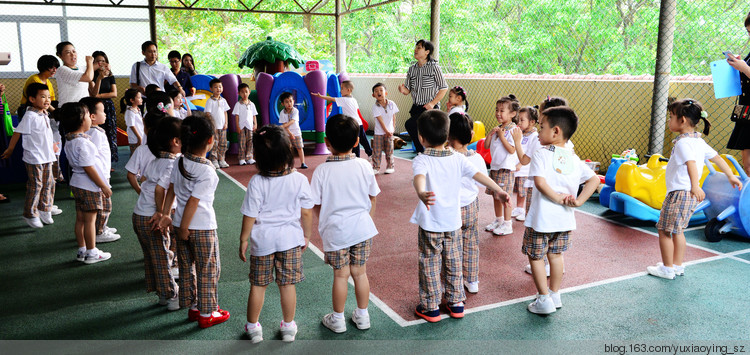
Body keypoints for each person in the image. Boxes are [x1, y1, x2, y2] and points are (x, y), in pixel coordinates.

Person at [411, 110, 509, 322]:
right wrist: (498, 189)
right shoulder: (457, 158)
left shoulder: (422, 159)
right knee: (453, 260)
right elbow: (479, 175)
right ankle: (456, 303)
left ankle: (431, 307)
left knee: (430, 262)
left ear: (421, 137)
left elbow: (419, 178)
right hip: (453, 222)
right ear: (447, 135)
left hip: (430, 224)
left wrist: (421, 192)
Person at [647, 99, 743, 280]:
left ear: (682, 120)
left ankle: (667, 269)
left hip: (680, 193)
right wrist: (730, 175)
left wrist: (695, 186)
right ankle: (677, 266)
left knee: (664, 230)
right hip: (687, 193)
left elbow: (691, 164)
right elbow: (718, 158)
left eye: (671, 117)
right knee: (678, 230)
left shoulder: (683, 143)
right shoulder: (698, 142)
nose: (669, 121)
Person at [239, 125, 313, 343]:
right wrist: (306, 236)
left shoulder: (257, 182)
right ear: (288, 152)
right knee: (286, 284)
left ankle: (253, 328)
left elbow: (250, 215)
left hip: (262, 241)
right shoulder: (299, 179)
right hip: (290, 240)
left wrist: (244, 239)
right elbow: (307, 213)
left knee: (258, 285)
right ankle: (288, 326)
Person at [523, 106, 599, 315]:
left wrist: (556, 197)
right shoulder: (574, 158)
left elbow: (539, 182)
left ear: (555, 131)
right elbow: (594, 179)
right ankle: (555, 294)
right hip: (565, 220)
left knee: (536, 257)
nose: (538, 131)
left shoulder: (541, 154)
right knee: (556, 256)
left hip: (541, 219)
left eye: (541, 126)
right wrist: (580, 200)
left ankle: (543, 299)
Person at [159, 113, 229, 329]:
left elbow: (171, 189)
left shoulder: (179, 160)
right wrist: (185, 228)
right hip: (200, 227)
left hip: (180, 223)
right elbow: (193, 202)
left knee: (188, 267)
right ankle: (208, 313)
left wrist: (165, 214)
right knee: (208, 269)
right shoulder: (208, 171)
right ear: (210, 140)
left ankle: (194, 306)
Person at [311, 114, 380, 333]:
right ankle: (363, 316)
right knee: (360, 273)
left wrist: (326, 217)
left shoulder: (322, 170)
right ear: (357, 141)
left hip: (336, 233)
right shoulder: (364, 165)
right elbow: (373, 197)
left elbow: (315, 204)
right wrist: (368, 218)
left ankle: (338, 319)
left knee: (341, 275)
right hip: (362, 229)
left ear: (327, 142)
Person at [133, 116, 182, 311]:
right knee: (162, 258)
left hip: (139, 215)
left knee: (152, 257)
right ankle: (171, 296)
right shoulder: (172, 164)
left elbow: (146, 181)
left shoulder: (156, 161)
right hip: (151, 218)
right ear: (175, 142)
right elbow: (159, 190)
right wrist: (162, 214)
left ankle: (162, 295)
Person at [59, 102, 112, 264]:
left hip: (77, 183)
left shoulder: (70, 139)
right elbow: (89, 167)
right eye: (88, 115)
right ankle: (92, 252)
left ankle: (82, 249)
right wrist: (103, 185)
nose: (91, 118)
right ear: (81, 120)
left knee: (80, 219)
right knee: (90, 221)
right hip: (89, 186)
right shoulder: (84, 143)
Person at [1, 83, 58, 228]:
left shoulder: (44, 113)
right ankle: (29, 213)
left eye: (48, 97)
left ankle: (44, 208)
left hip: (47, 156)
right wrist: (10, 149)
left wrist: (52, 145)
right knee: (36, 185)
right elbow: (17, 132)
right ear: (32, 99)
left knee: (49, 183)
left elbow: (45, 134)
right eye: (43, 97)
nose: (47, 100)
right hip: (35, 158)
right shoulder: (30, 115)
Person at [448, 112, 488, 294]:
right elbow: (482, 182)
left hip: (451, 209)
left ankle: (452, 284)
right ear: (472, 135)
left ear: (447, 135)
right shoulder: (476, 158)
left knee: (450, 247)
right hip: (471, 206)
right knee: (471, 243)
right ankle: (472, 281)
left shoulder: (446, 158)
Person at [80, 97, 120, 244]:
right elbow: (92, 157)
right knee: (104, 205)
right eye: (102, 112)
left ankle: (101, 226)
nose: (105, 115)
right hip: (100, 177)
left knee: (103, 205)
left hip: (102, 175)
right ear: (92, 116)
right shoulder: (94, 133)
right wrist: (102, 180)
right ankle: (99, 231)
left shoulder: (96, 130)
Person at [398, 39, 448, 153]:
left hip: (430, 108)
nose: (415, 49)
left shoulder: (434, 67)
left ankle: (423, 152)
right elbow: (407, 90)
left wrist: (432, 103)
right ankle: (423, 152)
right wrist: (402, 89)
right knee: (414, 128)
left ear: (427, 52)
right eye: (416, 47)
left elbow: (444, 88)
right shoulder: (412, 69)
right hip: (416, 108)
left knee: (410, 124)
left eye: (419, 47)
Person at [484, 94, 520, 236]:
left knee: (505, 197)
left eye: (502, 111)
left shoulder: (513, 130)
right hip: (495, 168)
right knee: (495, 196)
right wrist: (491, 134)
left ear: (512, 114)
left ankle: (507, 224)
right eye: (497, 110)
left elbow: (512, 149)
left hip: (506, 169)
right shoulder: (498, 128)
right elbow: (486, 146)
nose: (498, 113)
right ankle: (498, 220)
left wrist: (502, 136)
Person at [312, 81, 372, 157]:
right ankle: (370, 153)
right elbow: (357, 112)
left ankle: (357, 157)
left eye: (342, 88)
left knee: (354, 142)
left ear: (348, 90)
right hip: (359, 123)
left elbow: (331, 98)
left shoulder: (344, 100)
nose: (341, 90)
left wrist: (320, 96)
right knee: (363, 140)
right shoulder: (353, 99)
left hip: (353, 124)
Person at [725, 12, 750, 176]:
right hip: (746, 109)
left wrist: (745, 68)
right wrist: (738, 65)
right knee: (747, 164)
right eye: (749, 32)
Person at [89, 51, 119, 166]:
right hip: (96, 108)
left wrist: (99, 96)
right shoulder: (91, 76)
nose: (101, 63)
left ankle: (109, 161)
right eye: (98, 61)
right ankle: (98, 161)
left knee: (110, 132)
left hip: (108, 107)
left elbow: (114, 93)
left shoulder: (111, 76)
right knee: (97, 132)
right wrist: (100, 79)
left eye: (103, 61)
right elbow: (93, 94)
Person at [511, 106, 539, 222]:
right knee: (519, 190)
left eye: (522, 120)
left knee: (525, 190)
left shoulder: (534, 136)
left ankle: (525, 211)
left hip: (525, 169)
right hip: (518, 168)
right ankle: (519, 208)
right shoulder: (522, 133)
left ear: (532, 122)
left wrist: (520, 165)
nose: (519, 122)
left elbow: (529, 154)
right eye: (519, 119)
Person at [370, 83, 399, 174]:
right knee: (377, 151)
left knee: (389, 150)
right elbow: (380, 120)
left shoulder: (392, 103)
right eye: (376, 91)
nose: (379, 92)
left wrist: (393, 129)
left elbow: (394, 117)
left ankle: (390, 166)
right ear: (373, 95)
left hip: (389, 132)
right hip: (379, 133)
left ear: (385, 93)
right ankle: (376, 167)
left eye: (381, 90)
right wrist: (386, 131)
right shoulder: (375, 107)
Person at [19, 55, 59, 119]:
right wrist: (55, 112)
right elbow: (38, 101)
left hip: (43, 107)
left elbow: (51, 100)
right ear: (43, 67)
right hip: (29, 109)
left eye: (56, 68)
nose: (54, 70)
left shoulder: (48, 82)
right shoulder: (34, 79)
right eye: (51, 67)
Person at [204, 78, 230, 168]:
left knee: (223, 143)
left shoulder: (223, 100)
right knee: (214, 143)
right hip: (214, 127)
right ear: (211, 89)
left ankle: (222, 159)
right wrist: (212, 125)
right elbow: (208, 114)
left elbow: (225, 112)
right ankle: (214, 159)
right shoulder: (210, 101)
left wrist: (226, 123)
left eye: (220, 86)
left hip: (222, 127)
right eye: (215, 87)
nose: (218, 89)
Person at [278, 92, 307, 169]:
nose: (289, 103)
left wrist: (283, 126)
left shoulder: (295, 111)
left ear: (293, 101)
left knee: (299, 148)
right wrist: (290, 133)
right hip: (287, 134)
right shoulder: (282, 113)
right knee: (288, 149)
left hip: (297, 133)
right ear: (282, 104)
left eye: (290, 101)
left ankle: (303, 163)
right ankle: (288, 165)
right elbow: (285, 125)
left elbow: (292, 121)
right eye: (286, 102)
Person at [233, 83, 258, 165]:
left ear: (249, 92)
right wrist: (237, 126)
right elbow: (236, 116)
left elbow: (254, 115)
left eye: (246, 92)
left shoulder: (252, 104)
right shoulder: (238, 104)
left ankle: (249, 157)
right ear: (239, 93)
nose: (245, 94)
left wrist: (255, 124)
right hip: (241, 126)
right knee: (241, 142)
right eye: (242, 92)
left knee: (250, 142)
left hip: (250, 126)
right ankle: (241, 158)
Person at [123, 88, 145, 155]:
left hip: (140, 135)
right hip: (135, 139)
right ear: (132, 100)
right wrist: (139, 137)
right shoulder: (130, 111)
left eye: (141, 97)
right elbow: (132, 125)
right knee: (134, 155)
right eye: (139, 98)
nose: (141, 99)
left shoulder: (137, 109)